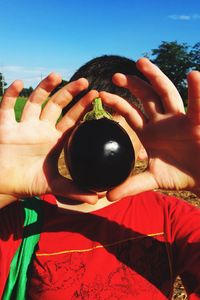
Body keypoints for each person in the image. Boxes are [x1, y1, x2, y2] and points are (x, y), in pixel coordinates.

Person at [0, 55, 199, 300]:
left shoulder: (172, 219)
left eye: (118, 124)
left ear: (143, 147)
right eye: (85, 123)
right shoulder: (19, 221)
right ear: (67, 136)